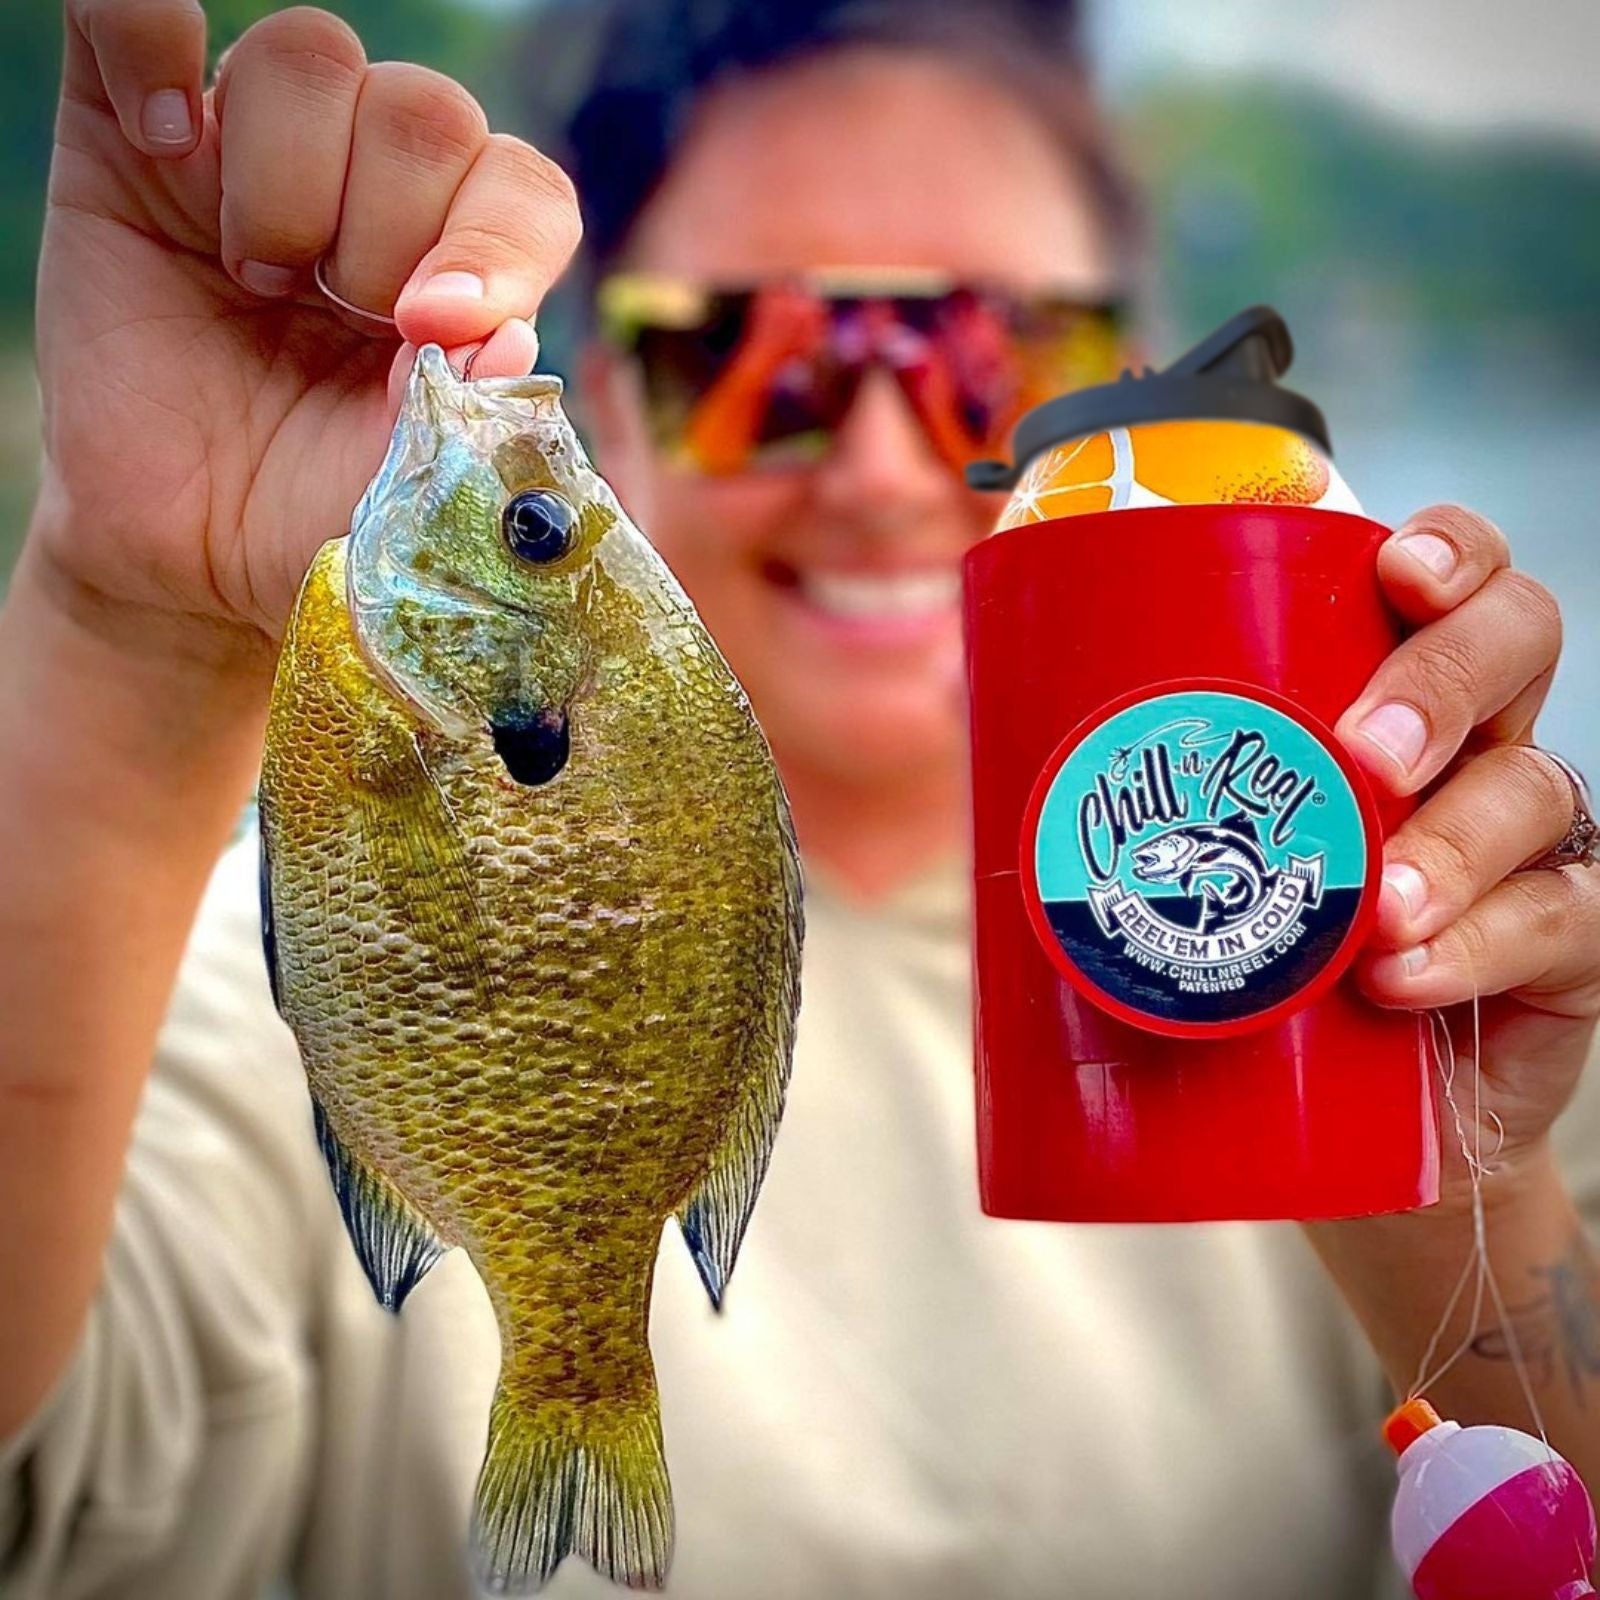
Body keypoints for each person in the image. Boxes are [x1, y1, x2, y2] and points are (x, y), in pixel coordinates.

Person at [3, 0, 1599, 1595]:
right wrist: (124, 627)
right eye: (758, 362)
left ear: (1117, 407)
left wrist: (1437, 1164)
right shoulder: (221, 981)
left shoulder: (1325, 945)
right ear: (608, 404)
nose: (889, 469)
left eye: (995, 363)